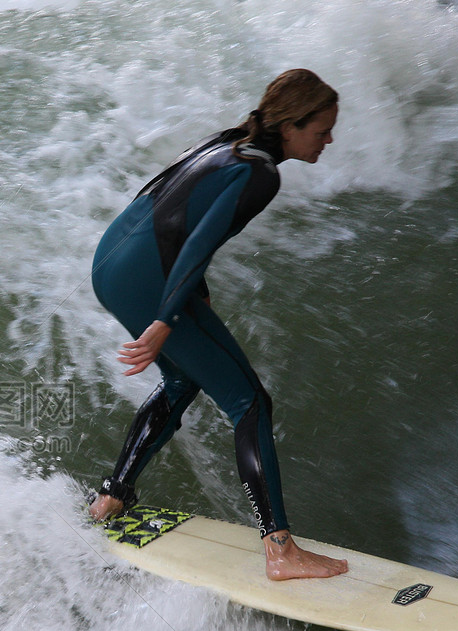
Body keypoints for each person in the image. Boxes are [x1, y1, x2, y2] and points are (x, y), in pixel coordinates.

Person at [88, 68, 349, 581]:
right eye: (321, 130)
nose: (329, 140)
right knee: (249, 403)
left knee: (184, 380)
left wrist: (187, 293)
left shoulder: (232, 142)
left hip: (111, 262)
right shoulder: (262, 174)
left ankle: (112, 499)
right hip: (150, 280)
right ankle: (281, 551)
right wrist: (166, 317)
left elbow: (167, 202)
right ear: (293, 126)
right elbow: (199, 241)